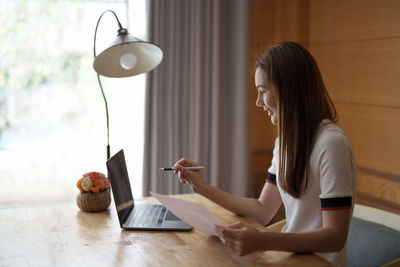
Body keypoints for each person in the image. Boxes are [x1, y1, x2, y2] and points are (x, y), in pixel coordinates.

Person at [172, 41, 357, 267]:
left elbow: (334, 237)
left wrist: (263, 240)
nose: (259, 102)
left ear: (288, 89)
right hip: (289, 260)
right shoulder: (286, 143)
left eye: (263, 91)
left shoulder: (331, 143)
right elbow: (262, 210)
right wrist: (202, 187)